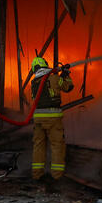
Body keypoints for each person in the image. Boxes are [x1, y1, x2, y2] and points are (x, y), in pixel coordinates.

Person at [29, 56, 74, 186]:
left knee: (38, 146)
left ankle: (37, 174)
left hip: (38, 119)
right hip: (53, 118)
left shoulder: (34, 82)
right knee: (57, 146)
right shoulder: (54, 78)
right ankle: (57, 176)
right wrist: (65, 75)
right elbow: (68, 87)